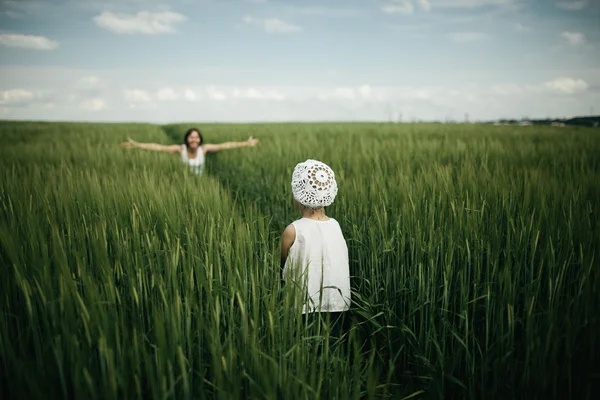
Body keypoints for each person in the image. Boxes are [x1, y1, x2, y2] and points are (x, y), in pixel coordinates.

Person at [280, 159, 351, 339]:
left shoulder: (293, 230)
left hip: (304, 307)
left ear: (299, 196)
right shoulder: (335, 225)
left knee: (306, 349)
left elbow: (281, 263)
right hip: (336, 304)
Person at [120, 127, 259, 175]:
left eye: (196, 137)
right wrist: (137, 145)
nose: (194, 140)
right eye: (191, 137)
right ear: (187, 139)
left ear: (200, 139)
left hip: (201, 185)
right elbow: (158, 147)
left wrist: (246, 143)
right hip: (184, 185)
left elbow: (225, 145)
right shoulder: (180, 149)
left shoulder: (203, 149)